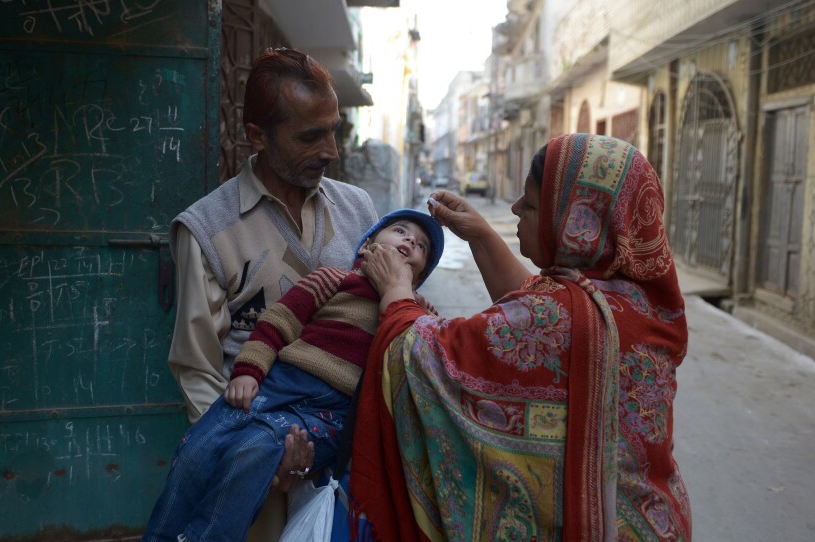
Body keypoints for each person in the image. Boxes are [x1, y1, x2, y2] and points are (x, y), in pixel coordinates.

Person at [352, 133, 691, 540]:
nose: (514, 208)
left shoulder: (561, 315)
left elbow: (428, 357)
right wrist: (479, 234)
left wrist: (396, 292)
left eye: (529, 205)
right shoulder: (637, 304)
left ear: (575, 225)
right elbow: (542, 305)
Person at [162, 47, 377, 535]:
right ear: (257, 135)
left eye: (334, 130)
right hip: (251, 459)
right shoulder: (207, 230)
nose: (331, 151)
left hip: (344, 458)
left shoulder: (360, 211)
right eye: (310, 136)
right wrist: (257, 456)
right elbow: (199, 371)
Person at [145, 209, 444, 542]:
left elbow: (425, 356)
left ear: (418, 276)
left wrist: (416, 308)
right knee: (198, 448)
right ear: (367, 247)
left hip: (330, 412)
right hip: (280, 384)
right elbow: (278, 323)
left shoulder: (413, 310)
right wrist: (248, 371)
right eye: (400, 231)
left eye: (421, 246)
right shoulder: (333, 279)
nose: (409, 241)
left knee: (254, 450)